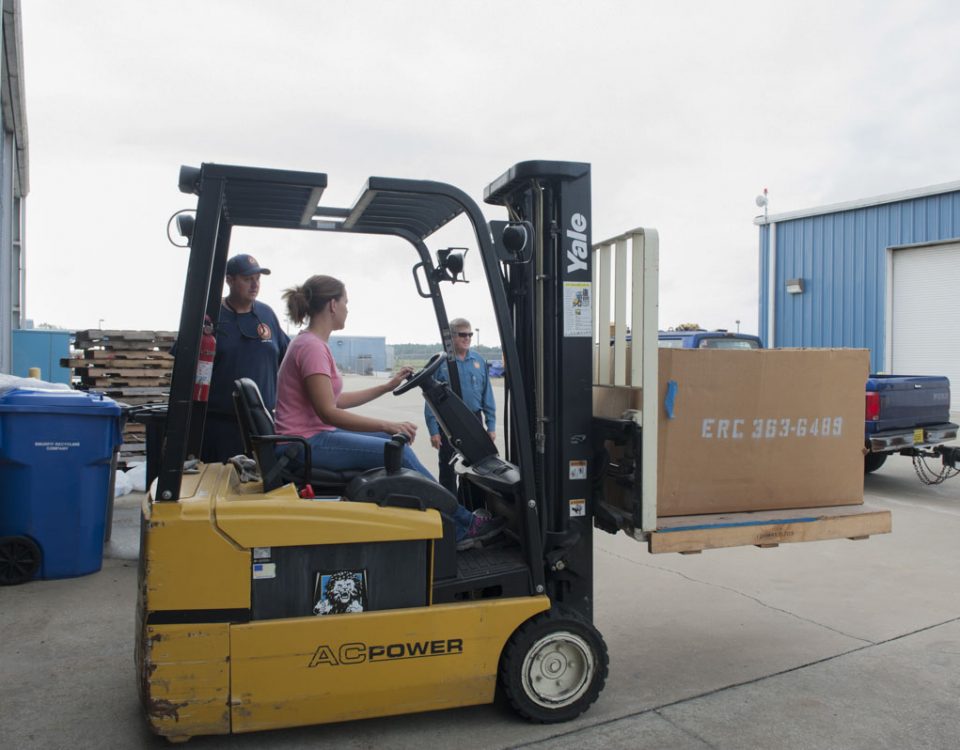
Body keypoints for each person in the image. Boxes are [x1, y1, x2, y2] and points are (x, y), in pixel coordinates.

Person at [274, 275, 504, 549]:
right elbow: (328, 412)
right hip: (305, 443)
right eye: (346, 302)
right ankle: (461, 524)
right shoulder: (311, 347)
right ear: (333, 305)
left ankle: (453, 521)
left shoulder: (310, 343)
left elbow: (336, 400)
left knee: (392, 445)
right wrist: (387, 425)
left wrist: (386, 387)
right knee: (399, 450)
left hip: (309, 438)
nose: (348, 308)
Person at [198, 253, 289, 462]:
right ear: (229, 280)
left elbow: (288, 357)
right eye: (248, 279)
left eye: (257, 279)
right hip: (220, 427)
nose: (254, 285)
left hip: (262, 426)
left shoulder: (266, 314)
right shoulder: (211, 317)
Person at [424, 317, 496, 495]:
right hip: (449, 422)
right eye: (463, 334)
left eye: (470, 334)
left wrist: (491, 425)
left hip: (474, 420)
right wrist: (434, 430)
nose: (467, 338)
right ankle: (451, 508)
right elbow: (431, 400)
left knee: (478, 466)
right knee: (448, 467)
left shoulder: (478, 360)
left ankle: (473, 506)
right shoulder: (442, 363)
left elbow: (487, 394)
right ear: (451, 337)